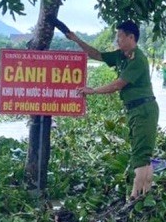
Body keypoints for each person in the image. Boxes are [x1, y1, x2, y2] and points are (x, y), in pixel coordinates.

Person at [50, 16, 158, 199]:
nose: (117, 40)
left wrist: (92, 91)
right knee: (142, 154)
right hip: (135, 109)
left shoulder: (137, 59)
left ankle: (134, 197)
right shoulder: (121, 56)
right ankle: (145, 195)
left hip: (144, 110)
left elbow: (117, 85)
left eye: (120, 37)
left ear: (131, 38)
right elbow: (96, 55)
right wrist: (76, 39)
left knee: (140, 156)